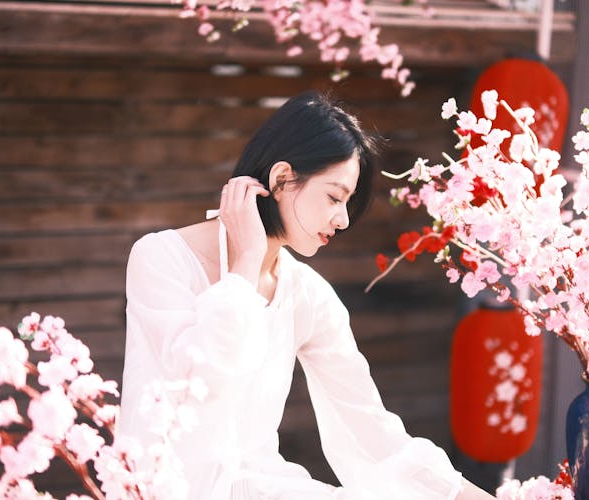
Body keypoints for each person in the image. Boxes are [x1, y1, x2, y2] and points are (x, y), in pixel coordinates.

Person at [119, 91, 495, 499]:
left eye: (348, 203)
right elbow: (201, 375)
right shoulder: (160, 257)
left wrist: (462, 494)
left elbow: (366, 425)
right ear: (282, 179)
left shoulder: (307, 295)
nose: (343, 219)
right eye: (334, 197)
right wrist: (248, 258)